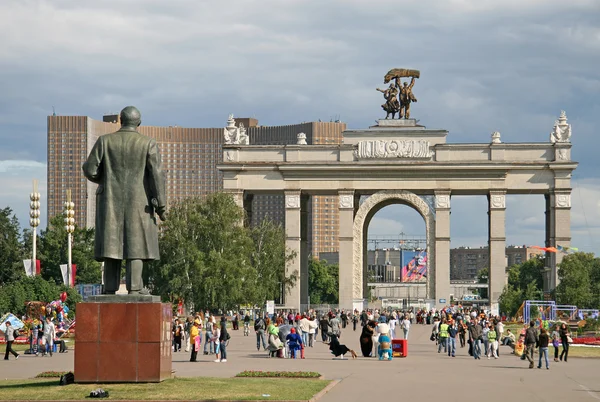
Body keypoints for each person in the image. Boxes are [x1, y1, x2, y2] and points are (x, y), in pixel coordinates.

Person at [82, 106, 166, 295]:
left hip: (110, 201)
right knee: (136, 245)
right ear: (139, 122)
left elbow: (90, 170)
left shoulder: (105, 141)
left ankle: (110, 288)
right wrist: (161, 205)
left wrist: (104, 178)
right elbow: (156, 175)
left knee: (112, 244)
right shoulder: (147, 143)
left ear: (121, 120)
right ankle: (135, 287)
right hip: (140, 203)